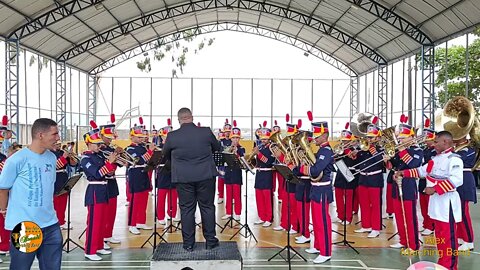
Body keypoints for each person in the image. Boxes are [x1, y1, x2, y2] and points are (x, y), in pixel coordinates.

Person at [395, 131, 463, 270]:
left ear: (445, 142)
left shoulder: (454, 159)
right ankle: (442, 263)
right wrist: (404, 173)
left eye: (436, 142)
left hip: (447, 204)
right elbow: (422, 171)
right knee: (440, 238)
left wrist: (436, 188)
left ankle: (450, 266)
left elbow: (457, 180)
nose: (434, 144)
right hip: (436, 204)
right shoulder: (436, 159)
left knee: (449, 239)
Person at [0, 118, 62, 269]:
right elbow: (3, 188)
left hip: (51, 225)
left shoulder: (51, 158)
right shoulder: (17, 160)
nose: (58, 138)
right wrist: (3, 210)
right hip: (25, 227)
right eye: (54, 134)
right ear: (40, 135)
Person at [162, 108, 221, 251]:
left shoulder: (172, 136)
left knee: (187, 209)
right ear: (192, 117)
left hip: (183, 178)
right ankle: (210, 241)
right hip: (205, 176)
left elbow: (165, 154)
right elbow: (217, 147)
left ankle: (188, 244)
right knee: (207, 207)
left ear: (179, 119)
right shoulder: (206, 132)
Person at [297, 121, 334, 264]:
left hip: (322, 189)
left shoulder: (326, 151)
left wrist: (299, 169)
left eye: (317, 136)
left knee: (323, 222)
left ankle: (326, 252)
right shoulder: (320, 150)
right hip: (316, 188)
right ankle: (318, 246)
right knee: (317, 221)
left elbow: (315, 170)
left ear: (325, 135)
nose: (314, 139)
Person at [80, 120, 118, 261]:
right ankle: (89, 250)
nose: (99, 146)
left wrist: (112, 163)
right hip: (95, 189)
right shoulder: (85, 158)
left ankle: (99, 245)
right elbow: (97, 173)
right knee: (94, 222)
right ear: (89, 144)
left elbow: (107, 173)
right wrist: (109, 163)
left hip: (104, 189)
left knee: (101, 221)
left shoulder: (98, 155)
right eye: (96, 144)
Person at [385, 115, 423, 250]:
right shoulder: (400, 150)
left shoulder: (418, 151)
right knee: (399, 216)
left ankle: (413, 245)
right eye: (399, 138)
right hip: (397, 184)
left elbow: (413, 164)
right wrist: (387, 160)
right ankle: (403, 240)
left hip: (408, 186)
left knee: (410, 217)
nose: (399, 140)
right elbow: (394, 166)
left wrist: (402, 151)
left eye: (402, 138)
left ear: (411, 137)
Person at [354, 116, 385, 238]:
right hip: (363, 178)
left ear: (377, 138)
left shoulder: (380, 149)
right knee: (364, 203)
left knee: (375, 205)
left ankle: (376, 228)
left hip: (375, 179)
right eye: (368, 137)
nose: (369, 139)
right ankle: (366, 225)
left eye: (371, 137)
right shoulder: (363, 148)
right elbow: (358, 162)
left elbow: (379, 160)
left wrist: (372, 148)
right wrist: (355, 154)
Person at [125, 117, 155, 235]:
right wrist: (150, 152)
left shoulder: (143, 147)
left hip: (144, 173)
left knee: (144, 199)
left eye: (142, 137)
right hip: (135, 174)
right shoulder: (130, 148)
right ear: (132, 137)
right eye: (139, 137)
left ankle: (140, 221)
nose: (142, 139)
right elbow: (139, 160)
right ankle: (132, 224)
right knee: (135, 200)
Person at [99, 114, 122, 245]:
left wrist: (119, 154)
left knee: (112, 210)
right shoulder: (100, 150)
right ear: (101, 136)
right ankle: (101, 236)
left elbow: (121, 164)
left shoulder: (112, 149)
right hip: (103, 182)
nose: (110, 140)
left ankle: (109, 234)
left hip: (112, 181)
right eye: (108, 137)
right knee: (104, 211)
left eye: (111, 137)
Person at [252, 124, 276, 227]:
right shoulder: (260, 147)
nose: (263, 141)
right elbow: (257, 162)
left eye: (265, 139)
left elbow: (269, 161)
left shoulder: (272, 148)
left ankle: (269, 218)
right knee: (259, 196)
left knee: (267, 197)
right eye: (262, 139)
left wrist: (259, 154)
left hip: (267, 173)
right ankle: (261, 216)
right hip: (259, 173)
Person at [52, 141, 78, 230]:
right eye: (57, 144)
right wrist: (64, 157)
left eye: (59, 144)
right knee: (56, 202)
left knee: (63, 201)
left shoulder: (61, 153)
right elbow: (56, 166)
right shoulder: (49, 154)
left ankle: (62, 221)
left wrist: (71, 157)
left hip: (64, 177)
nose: (59, 146)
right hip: (55, 178)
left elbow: (73, 164)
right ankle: (56, 222)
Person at [222, 122, 245, 220]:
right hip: (228, 174)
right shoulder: (226, 148)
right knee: (228, 194)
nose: (235, 140)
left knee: (237, 195)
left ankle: (238, 213)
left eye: (237, 138)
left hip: (236, 174)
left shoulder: (242, 149)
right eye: (233, 138)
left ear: (239, 139)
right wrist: (230, 149)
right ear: (231, 138)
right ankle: (228, 212)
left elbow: (243, 161)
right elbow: (223, 158)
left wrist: (237, 152)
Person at [419, 118, 436, 236]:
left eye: (427, 139)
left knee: (429, 204)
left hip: (430, 179)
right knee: (423, 204)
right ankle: (426, 224)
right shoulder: (424, 150)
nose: (425, 141)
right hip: (422, 180)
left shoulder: (435, 151)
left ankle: (431, 225)